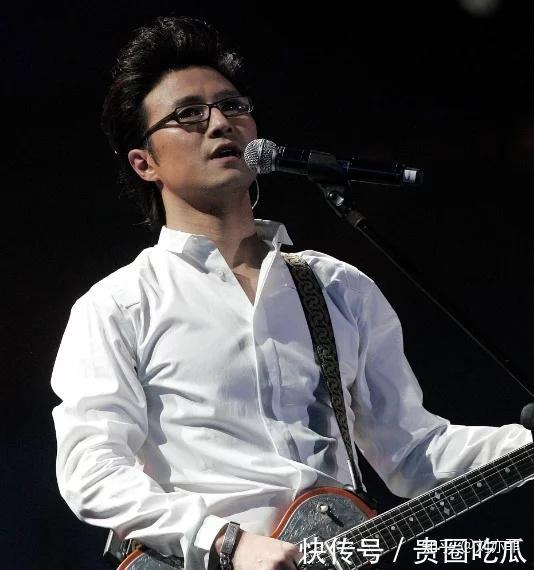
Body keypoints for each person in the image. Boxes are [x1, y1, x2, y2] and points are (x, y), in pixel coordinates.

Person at [51, 16, 532, 570]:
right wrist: (224, 542)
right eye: (189, 114)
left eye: (232, 106)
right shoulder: (118, 305)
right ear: (145, 163)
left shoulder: (338, 287)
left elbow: (413, 451)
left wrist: (521, 448)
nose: (220, 123)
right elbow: (92, 469)